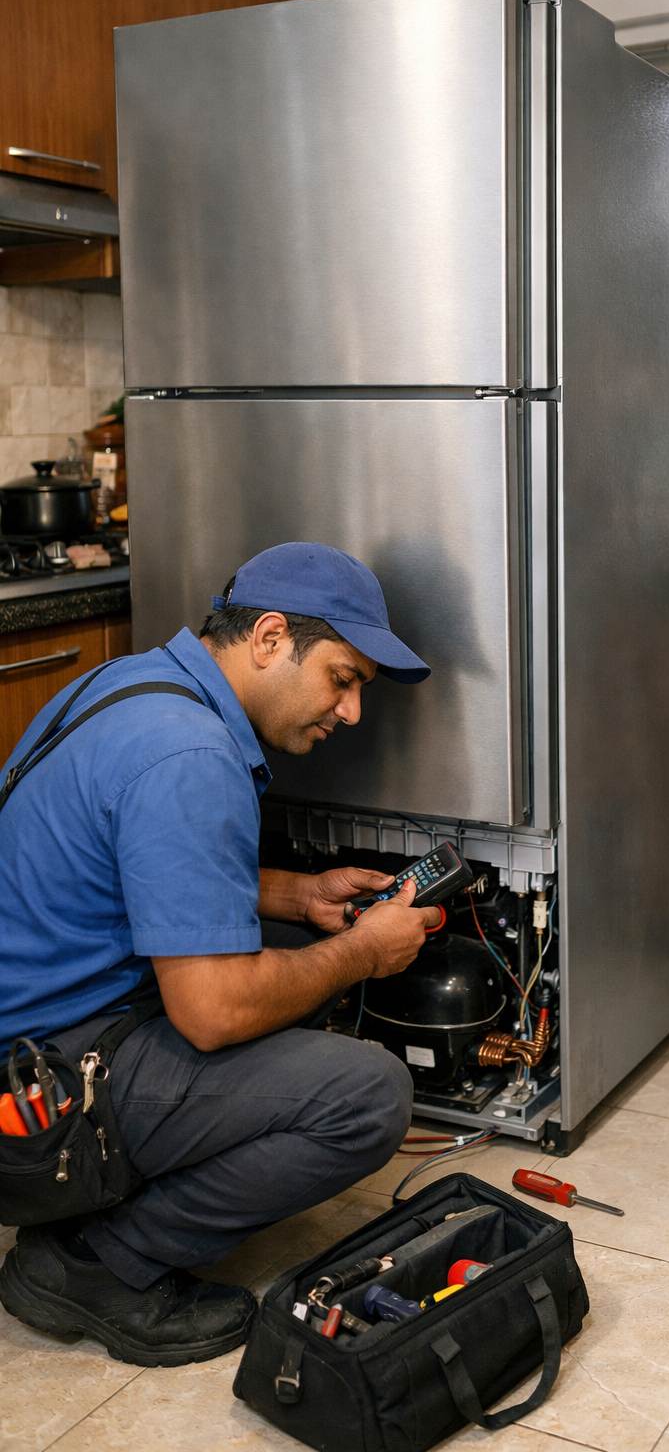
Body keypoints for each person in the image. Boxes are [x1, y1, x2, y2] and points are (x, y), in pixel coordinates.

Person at [0, 541, 442, 1365]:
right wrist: (364, 954)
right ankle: (94, 1265)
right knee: (368, 1094)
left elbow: (133, 866)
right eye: (343, 680)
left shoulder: (135, 686)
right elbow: (213, 1015)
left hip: (32, 1039)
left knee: (290, 945)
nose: (351, 713)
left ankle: (95, 1207)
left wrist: (294, 895)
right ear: (270, 638)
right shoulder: (192, 754)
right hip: (34, 1103)